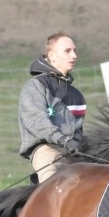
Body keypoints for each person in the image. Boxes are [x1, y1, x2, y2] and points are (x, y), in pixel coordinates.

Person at [18, 31, 86, 183]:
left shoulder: (77, 95)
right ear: (52, 56)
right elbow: (38, 123)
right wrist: (64, 140)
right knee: (52, 188)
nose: (74, 56)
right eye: (67, 51)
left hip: (75, 154)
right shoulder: (35, 87)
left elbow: (79, 133)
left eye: (74, 51)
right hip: (47, 150)